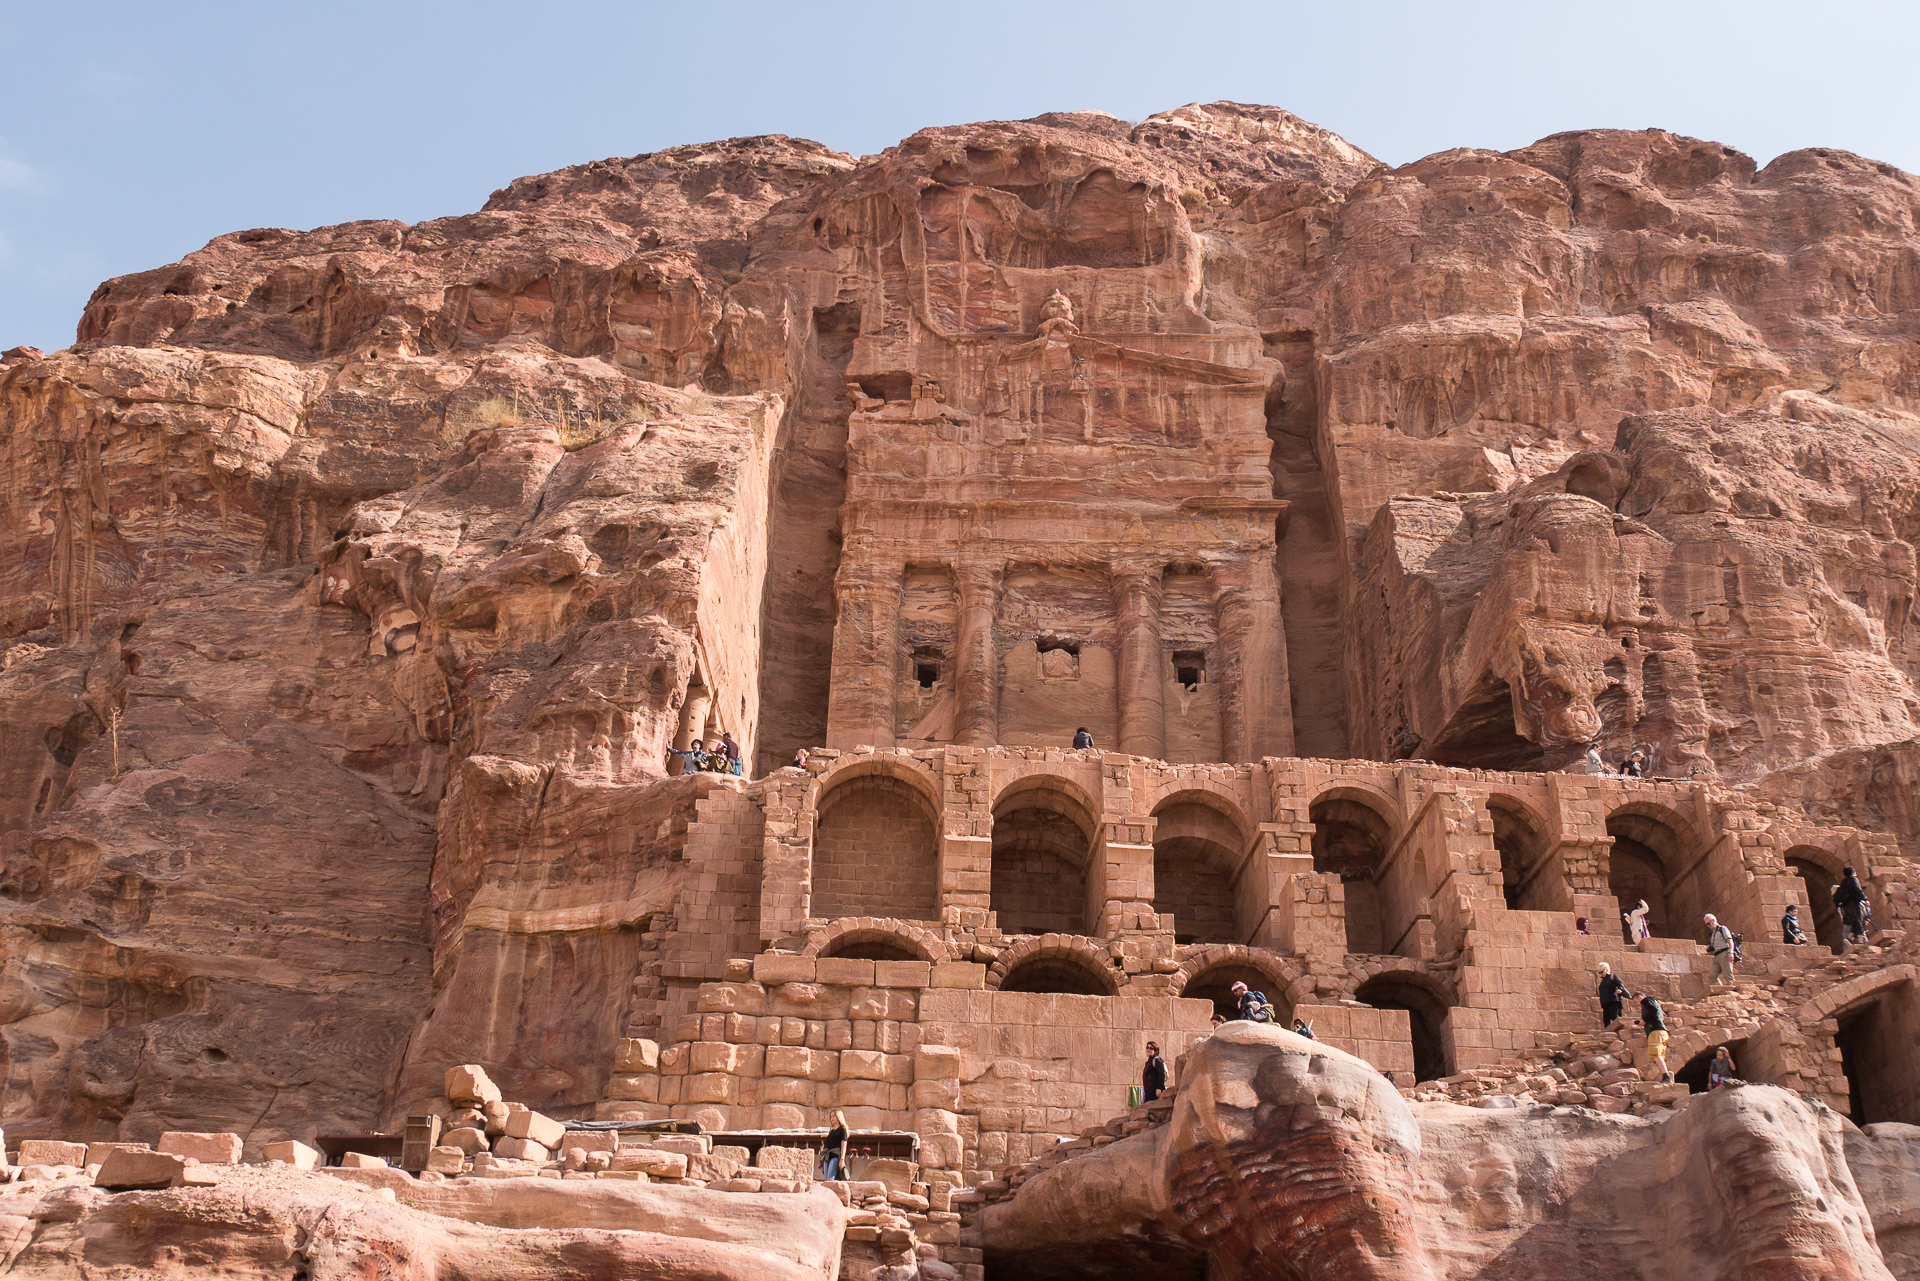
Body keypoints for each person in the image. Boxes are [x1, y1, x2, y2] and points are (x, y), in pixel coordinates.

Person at [1638, 990, 1673, 1083]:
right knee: (1659, 1056)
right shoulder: (1652, 1002)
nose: (1637, 1004)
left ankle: (1666, 1077)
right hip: (1660, 1032)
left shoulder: (1646, 1000)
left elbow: (1653, 1009)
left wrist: (1644, 1020)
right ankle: (1666, 1076)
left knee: (1656, 1055)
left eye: (1635, 1001)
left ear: (1639, 997)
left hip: (1656, 1032)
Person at [1835, 866, 1870, 945]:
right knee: (1859, 922)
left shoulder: (1843, 883)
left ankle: (1849, 938)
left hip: (1846, 907)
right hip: (1854, 904)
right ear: (1853, 873)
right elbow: (1857, 889)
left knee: (1854, 923)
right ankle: (1861, 942)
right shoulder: (1853, 879)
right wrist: (1865, 899)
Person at [1704, 914, 1736, 984]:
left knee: (1728, 975)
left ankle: (1734, 991)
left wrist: (1731, 952)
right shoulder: (1712, 934)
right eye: (1707, 924)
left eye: (1708, 923)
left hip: (1724, 953)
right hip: (1716, 956)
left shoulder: (1722, 928)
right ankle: (1720, 988)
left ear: (1713, 921)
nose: (1708, 926)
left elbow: (1730, 941)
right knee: (1712, 975)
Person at [819, 1110, 850, 1181]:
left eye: (834, 1116)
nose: (832, 1118)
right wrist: (821, 1161)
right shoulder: (831, 1131)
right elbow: (828, 1147)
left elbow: (843, 1145)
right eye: (831, 1116)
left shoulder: (842, 1130)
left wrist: (842, 1159)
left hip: (835, 1157)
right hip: (827, 1157)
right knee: (826, 1180)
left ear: (838, 1117)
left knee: (830, 1179)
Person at [1596, 962, 1629, 1027]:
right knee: (1606, 1020)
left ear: (1606, 970)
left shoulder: (1613, 976)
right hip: (1605, 1003)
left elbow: (1620, 985)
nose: (1601, 974)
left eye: (1602, 972)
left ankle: (1619, 1030)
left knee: (1614, 1017)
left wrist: (1619, 989)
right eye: (1599, 973)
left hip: (1613, 1001)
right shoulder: (1603, 981)